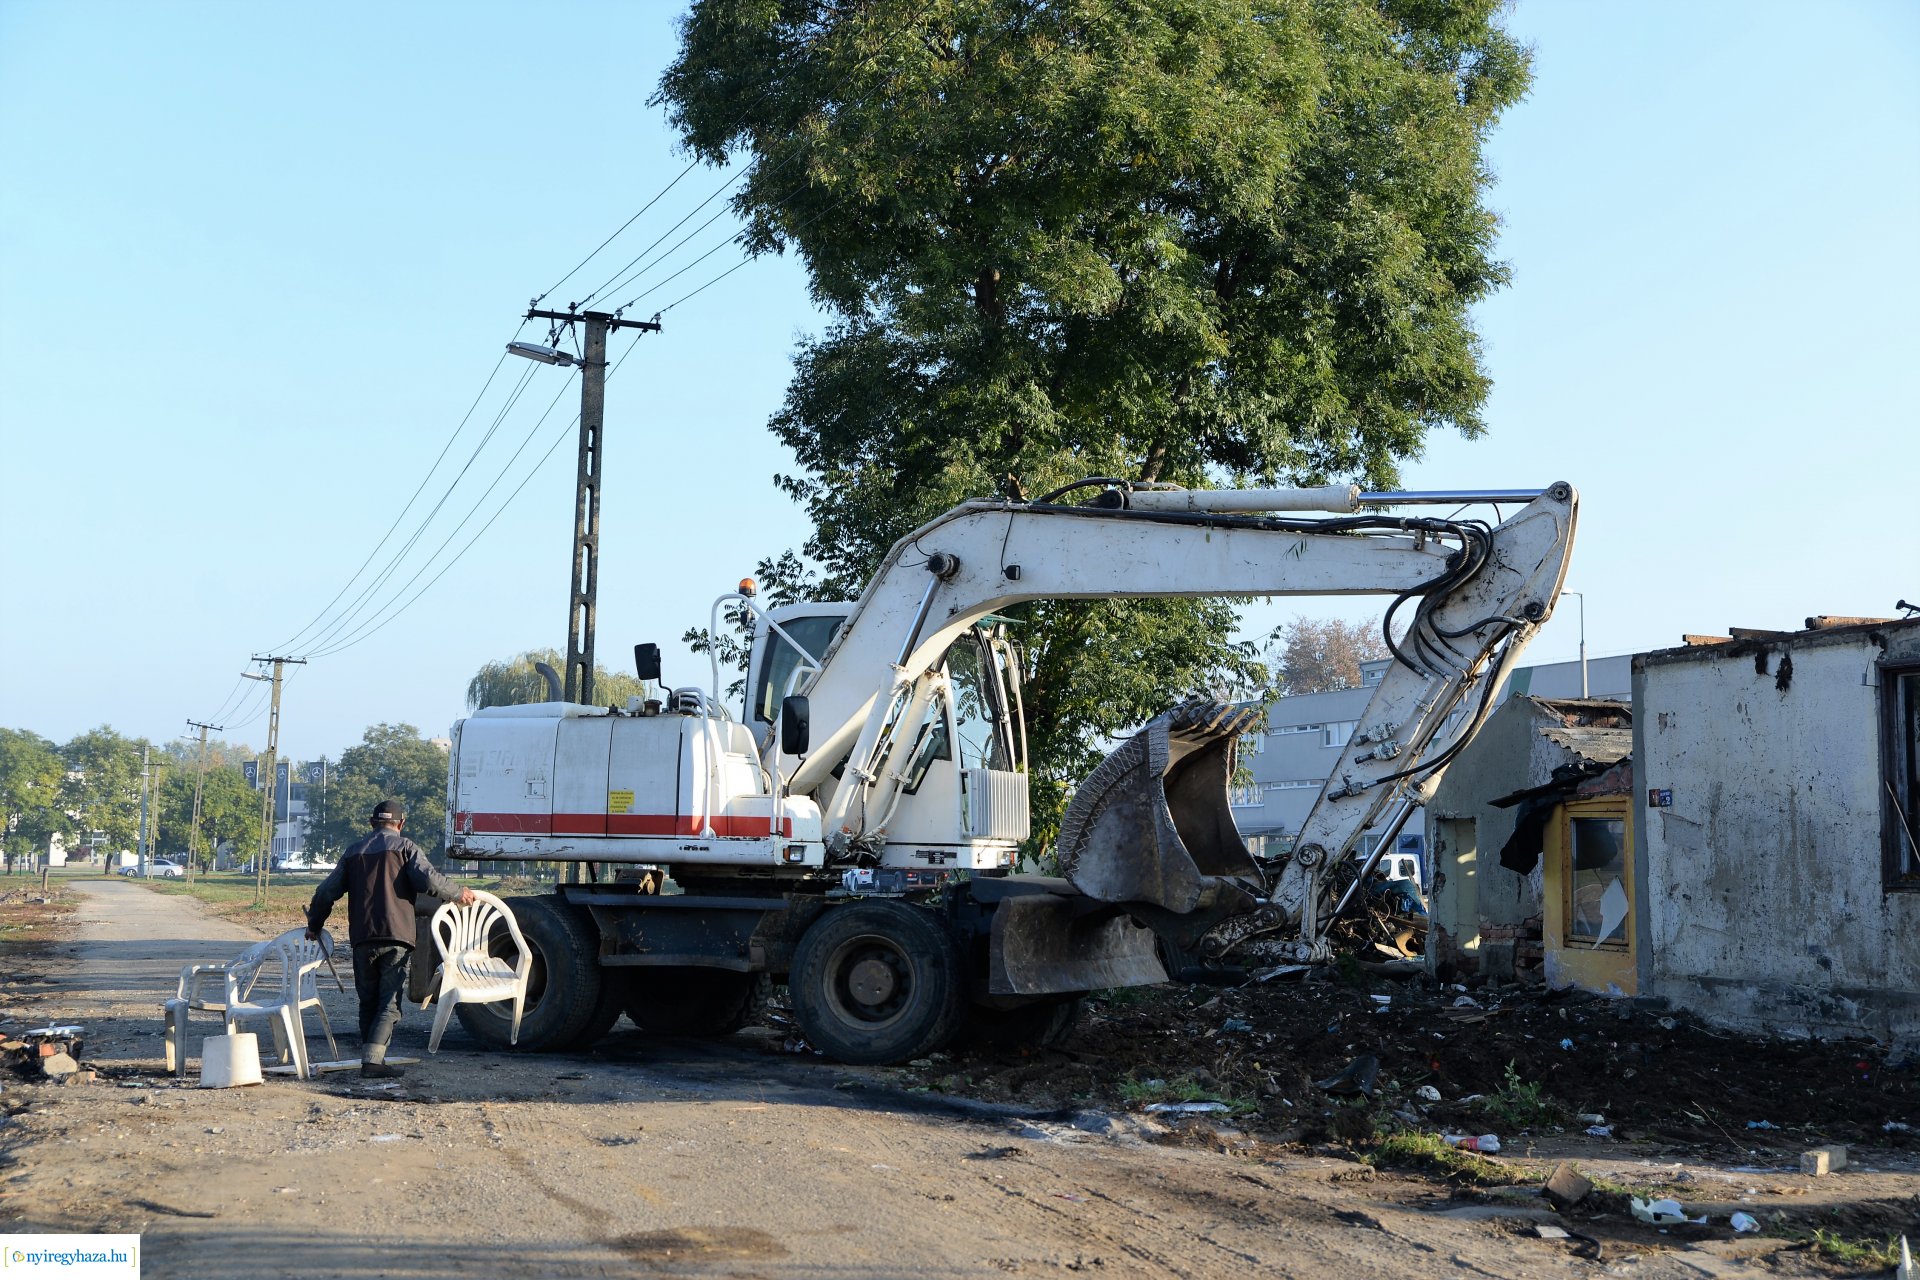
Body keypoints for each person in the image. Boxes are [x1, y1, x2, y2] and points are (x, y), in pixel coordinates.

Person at [305, 799, 473, 1078]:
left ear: (372, 823)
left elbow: (325, 893)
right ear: (401, 823)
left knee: (368, 1001)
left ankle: (369, 1059)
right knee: (388, 1004)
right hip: (397, 937)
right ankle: (373, 1063)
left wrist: (314, 924)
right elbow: (429, 881)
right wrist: (457, 893)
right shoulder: (406, 848)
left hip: (362, 938)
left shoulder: (354, 852)